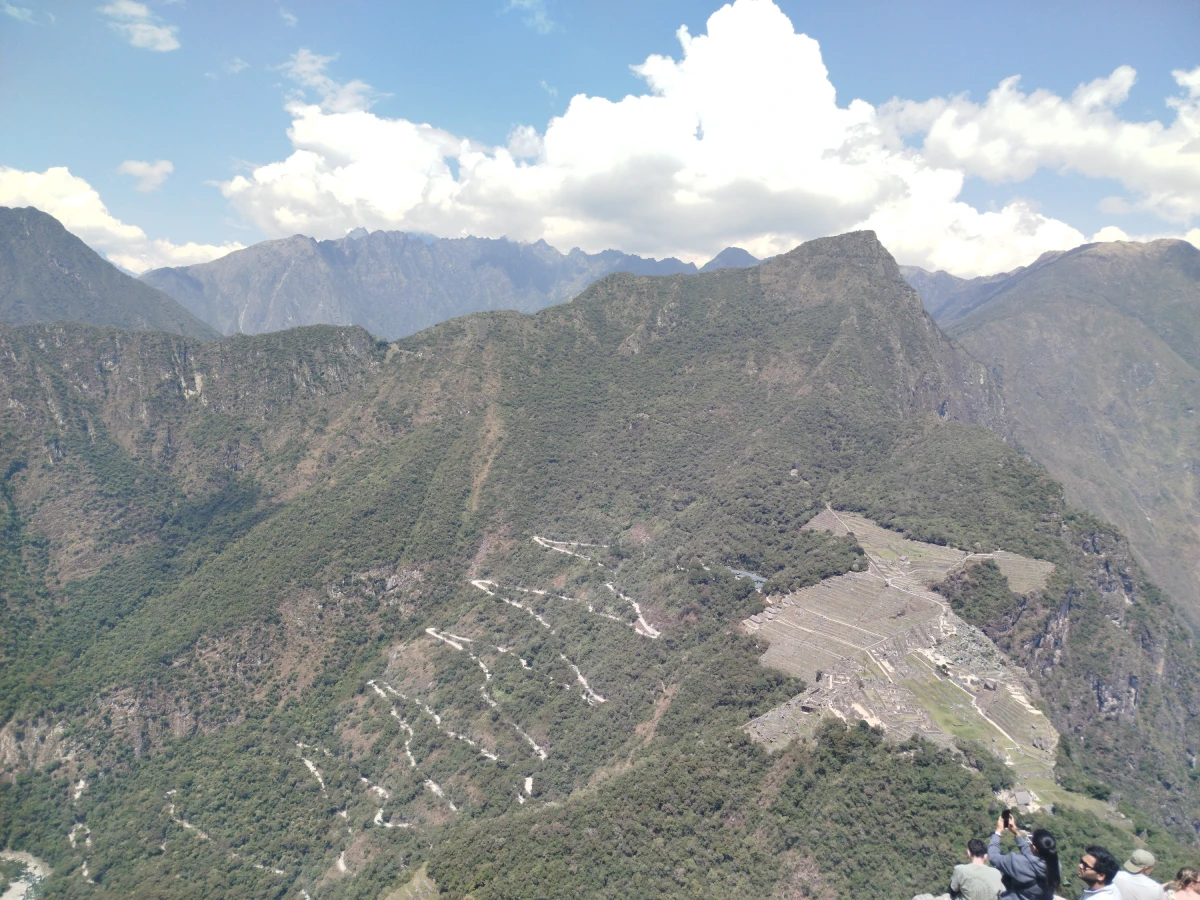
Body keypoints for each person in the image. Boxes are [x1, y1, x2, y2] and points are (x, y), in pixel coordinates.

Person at [987, 814, 1061, 900]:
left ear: (1034, 848)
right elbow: (1032, 857)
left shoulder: (1018, 863)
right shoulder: (1056, 866)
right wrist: (1016, 833)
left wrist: (998, 832)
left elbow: (993, 856)